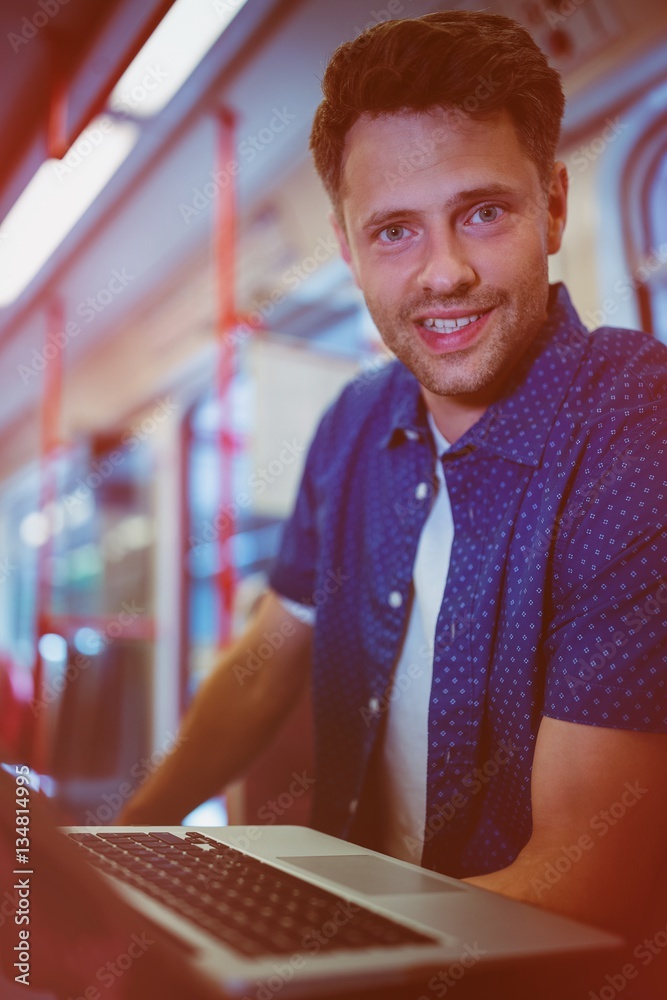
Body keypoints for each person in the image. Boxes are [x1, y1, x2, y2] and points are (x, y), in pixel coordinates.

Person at [119, 10, 667, 944]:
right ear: (347, 248)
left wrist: (295, 945)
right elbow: (261, 666)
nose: (444, 272)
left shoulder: (637, 432)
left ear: (556, 208)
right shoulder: (350, 425)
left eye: (483, 213)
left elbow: (589, 867)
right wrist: (126, 841)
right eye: (395, 232)